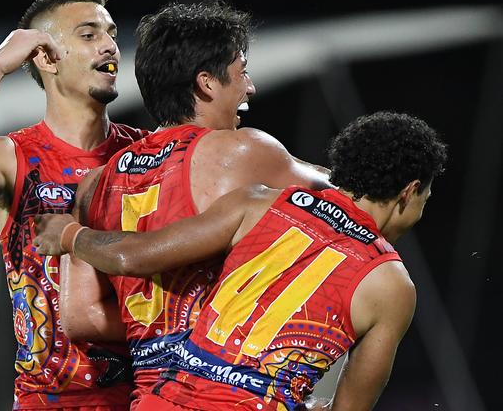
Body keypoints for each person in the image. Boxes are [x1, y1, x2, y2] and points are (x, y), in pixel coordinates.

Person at [35, 111, 448, 411]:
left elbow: (131, 256)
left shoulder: (259, 202)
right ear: (409, 192)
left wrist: (72, 235)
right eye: (426, 200)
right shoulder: (392, 285)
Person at [32, 0, 332, 408]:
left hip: (152, 397)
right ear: (207, 83)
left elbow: (80, 315)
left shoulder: (94, 184)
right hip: (232, 390)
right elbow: (347, 198)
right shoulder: (243, 151)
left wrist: (162, 327)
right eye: (242, 72)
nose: (251, 87)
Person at [0, 0, 146, 410]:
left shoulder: (145, 156)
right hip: (51, 401)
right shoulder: (13, 156)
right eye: (88, 34)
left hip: (146, 395)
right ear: (46, 57)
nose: (110, 45)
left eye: (111, 33)